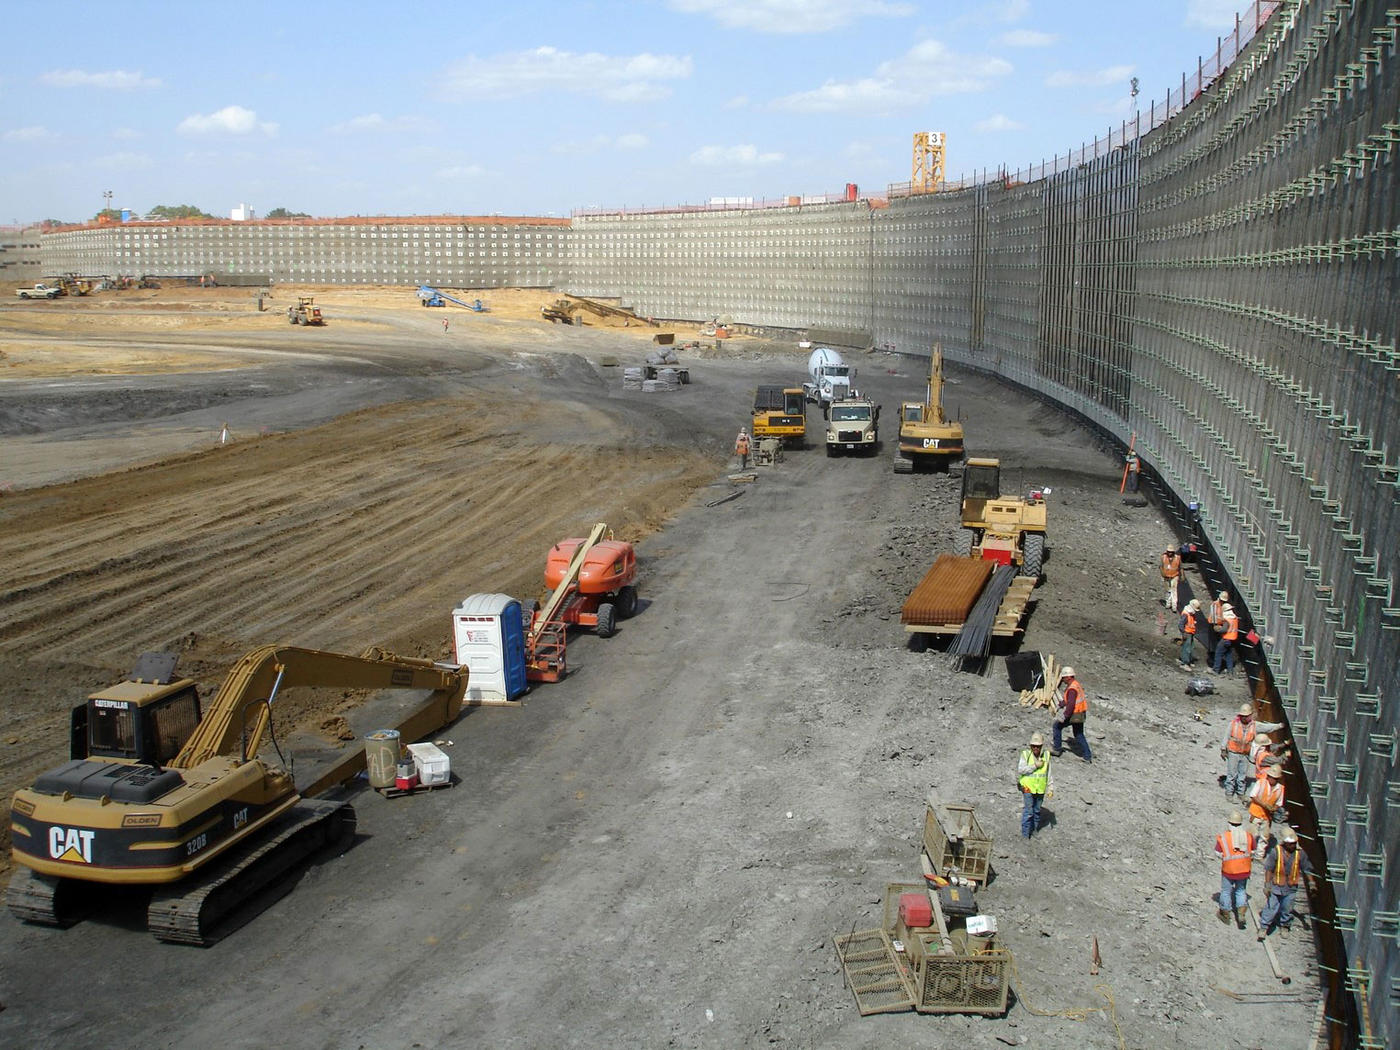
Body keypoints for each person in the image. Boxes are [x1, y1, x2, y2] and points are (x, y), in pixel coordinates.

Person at [1258, 828, 1314, 939]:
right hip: (1276, 886)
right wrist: (1267, 885)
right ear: (1284, 843)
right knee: (1271, 907)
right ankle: (1264, 927)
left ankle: (1285, 925)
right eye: (1290, 844)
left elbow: (1307, 868)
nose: (1292, 846)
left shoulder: (1300, 854)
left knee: (1287, 908)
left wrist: (1311, 882)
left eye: (1294, 843)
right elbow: (1269, 869)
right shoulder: (1276, 852)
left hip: (1291, 887)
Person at [1220, 703, 1283, 800]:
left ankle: (1240, 792)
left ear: (1250, 715)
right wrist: (1223, 749)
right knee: (1231, 774)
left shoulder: (1254, 726)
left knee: (1242, 775)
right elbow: (1226, 736)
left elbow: (1267, 728)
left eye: (1246, 716)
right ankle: (1229, 793)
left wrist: (1279, 726)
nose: (1244, 718)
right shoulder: (1233, 724)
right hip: (1233, 752)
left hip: (1245, 754)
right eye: (1243, 716)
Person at [1215, 810, 1257, 929]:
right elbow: (1253, 851)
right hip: (1244, 870)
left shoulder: (1223, 837)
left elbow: (1218, 853)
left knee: (1226, 891)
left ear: (1229, 823)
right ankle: (1241, 913)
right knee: (1240, 891)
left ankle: (1225, 914)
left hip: (1228, 870)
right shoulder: (1248, 836)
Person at [1050, 666, 1091, 762]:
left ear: (1068, 677)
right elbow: (1070, 700)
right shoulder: (1075, 685)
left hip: (1075, 714)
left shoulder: (1072, 689)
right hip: (1080, 713)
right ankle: (1087, 756)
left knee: (1057, 726)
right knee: (1079, 734)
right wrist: (1061, 704)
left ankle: (1057, 749)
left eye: (1064, 677)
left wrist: (1065, 716)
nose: (1063, 679)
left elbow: (1071, 704)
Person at [1018, 732, 1052, 838]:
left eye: (1038, 746)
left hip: (1040, 789)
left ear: (1041, 746)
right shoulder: (1025, 755)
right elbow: (1021, 770)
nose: (1035, 748)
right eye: (1033, 746)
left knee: (1037, 811)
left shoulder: (1046, 755)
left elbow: (1049, 772)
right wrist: (1034, 766)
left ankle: (1034, 830)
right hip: (1028, 788)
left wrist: (1050, 787)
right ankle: (1025, 835)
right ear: (1030, 746)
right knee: (1029, 811)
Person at [1247, 766, 1285, 853]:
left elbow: (1279, 803)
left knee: (1265, 837)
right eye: (1270, 777)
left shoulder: (1280, 789)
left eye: (1274, 778)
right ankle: (1249, 852)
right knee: (1253, 834)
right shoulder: (1261, 783)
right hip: (1255, 813)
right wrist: (1264, 805)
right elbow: (1253, 796)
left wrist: (1273, 808)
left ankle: (1259, 854)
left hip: (1267, 817)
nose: (1271, 779)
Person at [1211, 602, 1240, 676]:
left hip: (1226, 639)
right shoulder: (1235, 618)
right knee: (1228, 655)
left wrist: (1217, 629)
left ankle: (1216, 670)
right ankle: (1230, 671)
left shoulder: (1227, 619)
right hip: (1233, 639)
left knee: (1218, 653)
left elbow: (1224, 630)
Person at [1178, 599, 1202, 668]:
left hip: (1191, 632)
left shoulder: (1191, 613)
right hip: (1187, 632)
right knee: (1187, 648)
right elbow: (1181, 624)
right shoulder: (1186, 614)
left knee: (1191, 647)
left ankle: (1188, 659)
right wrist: (1183, 632)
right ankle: (1185, 663)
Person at [1160, 547, 1182, 611]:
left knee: (1174, 590)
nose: (1170, 553)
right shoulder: (1163, 557)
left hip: (1174, 576)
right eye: (1168, 552)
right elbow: (1161, 566)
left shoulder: (1177, 558)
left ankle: (1174, 606)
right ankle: (1168, 603)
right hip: (1166, 576)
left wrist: (1182, 576)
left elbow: (1180, 567)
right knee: (1168, 590)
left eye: (1171, 552)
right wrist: (1162, 574)